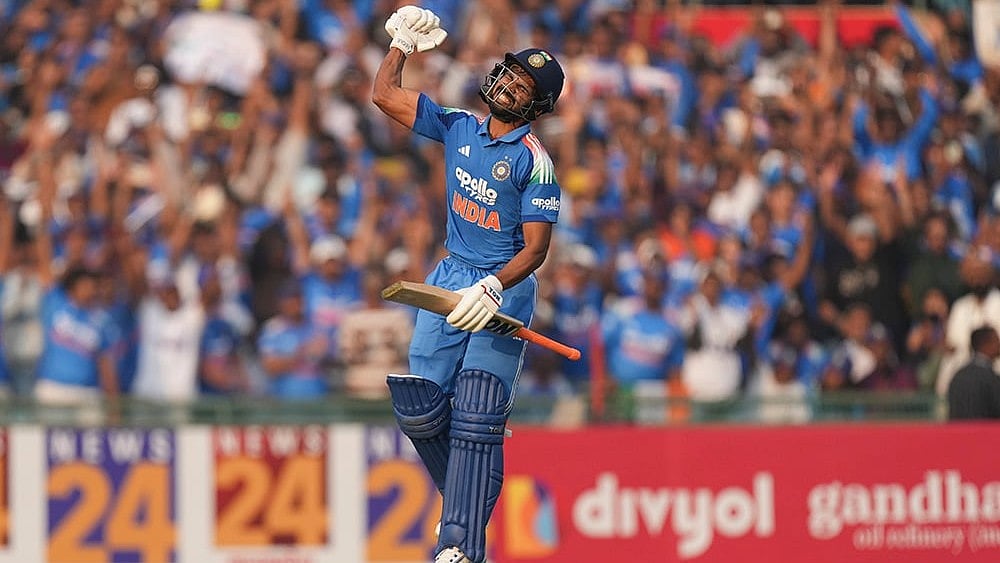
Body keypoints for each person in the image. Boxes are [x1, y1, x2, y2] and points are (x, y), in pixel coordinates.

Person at [372, 6, 564, 563]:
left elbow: (536, 249)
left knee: (478, 411)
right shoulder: (458, 124)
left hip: (504, 288)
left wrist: (493, 290)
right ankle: (468, 505)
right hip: (449, 273)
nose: (507, 86)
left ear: (538, 105)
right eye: (508, 74)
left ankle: (457, 546)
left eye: (522, 85)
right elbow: (385, 95)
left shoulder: (536, 162)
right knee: (421, 407)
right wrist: (402, 47)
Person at [947, 326, 1000, 420]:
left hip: (959, 433)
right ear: (986, 344)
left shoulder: (958, 376)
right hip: (987, 433)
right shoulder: (991, 379)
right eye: (996, 340)